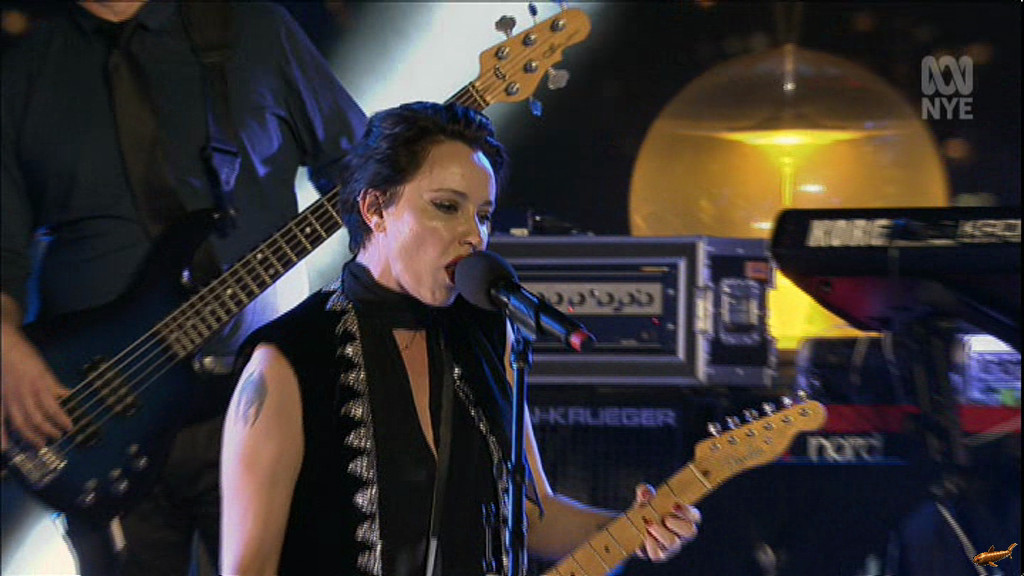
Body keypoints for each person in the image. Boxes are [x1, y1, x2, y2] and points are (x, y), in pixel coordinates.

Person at [220, 101, 702, 575]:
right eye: (447, 207)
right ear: (375, 208)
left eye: (484, 215)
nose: (474, 235)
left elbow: (532, 516)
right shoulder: (287, 360)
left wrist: (638, 528)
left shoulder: (487, 329)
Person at [1, 1, 366, 574]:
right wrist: (4, 345)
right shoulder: (25, 67)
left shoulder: (254, 29)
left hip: (260, 398)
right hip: (99, 416)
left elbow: (364, 174)